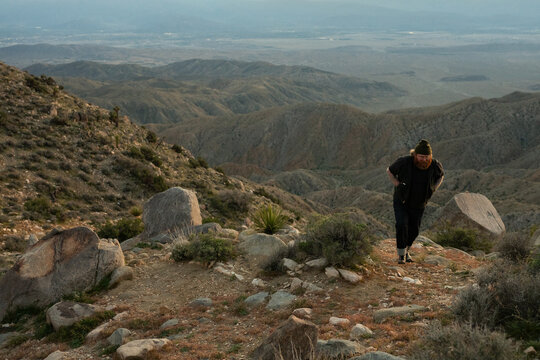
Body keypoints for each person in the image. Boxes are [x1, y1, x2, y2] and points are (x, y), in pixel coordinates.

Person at [386, 139, 444, 264]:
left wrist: (434, 188)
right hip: (402, 200)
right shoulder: (405, 162)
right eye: (421, 156)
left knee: (414, 230)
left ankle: (407, 250)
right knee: (402, 224)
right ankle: (401, 255)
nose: (424, 159)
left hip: (419, 203)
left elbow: (441, 176)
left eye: (426, 157)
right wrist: (397, 184)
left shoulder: (434, 164)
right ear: (415, 155)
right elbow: (389, 171)